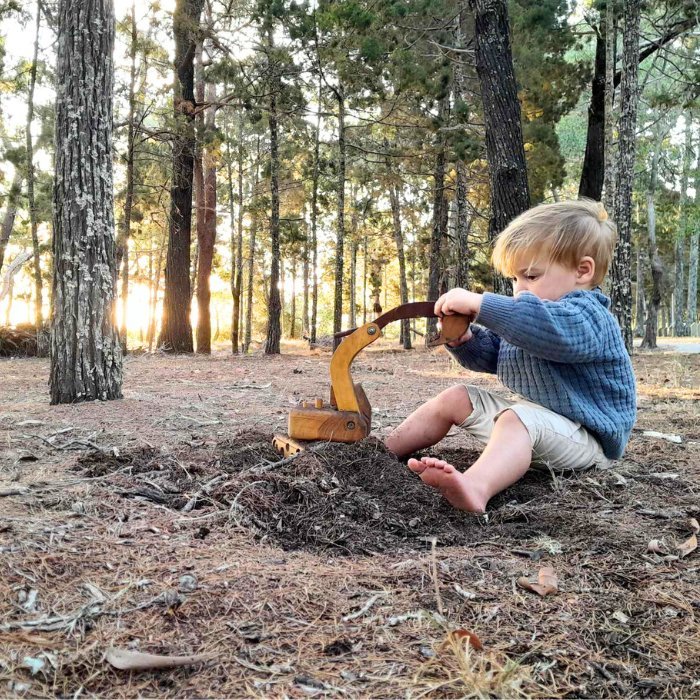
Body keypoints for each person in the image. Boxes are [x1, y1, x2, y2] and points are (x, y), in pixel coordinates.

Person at [385, 199, 636, 514]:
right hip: (534, 429)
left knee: (517, 418)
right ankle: (379, 452)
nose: (519, 289)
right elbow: (496, 353)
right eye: (514, 279)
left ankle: (475, 487)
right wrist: (465, 341)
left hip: (587, 441)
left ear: (582, 271)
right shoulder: (529, 317)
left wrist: (481, 303)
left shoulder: (587, 315)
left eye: (531, 276)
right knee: (456, 397)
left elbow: (551, 332)